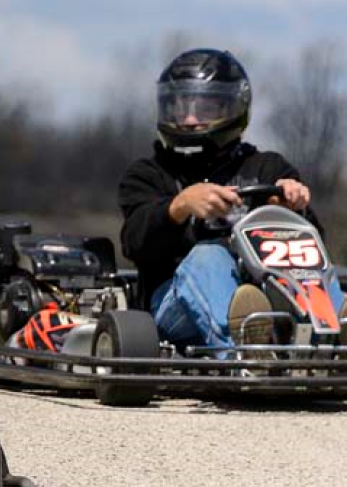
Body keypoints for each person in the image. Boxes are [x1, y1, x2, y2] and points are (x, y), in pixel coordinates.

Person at [119, 47, 339, 348]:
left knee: (308, 257)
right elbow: (135, 243)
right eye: (180, 108)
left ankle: (334, 333)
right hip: (175, 305)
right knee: (208, 256)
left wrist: (292, 212)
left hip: (270, 295)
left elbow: (314, 248)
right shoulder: (149, 174)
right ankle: (243, 350)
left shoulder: (268, 168)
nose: (190, 119)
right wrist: (178, 207)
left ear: (234, 108)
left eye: (204, 108)